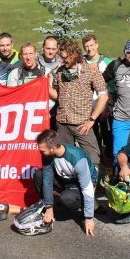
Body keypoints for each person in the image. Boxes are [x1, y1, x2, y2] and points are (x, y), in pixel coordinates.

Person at [48, 39, 108, 173]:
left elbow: (103, 96)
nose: (63, 61)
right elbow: (58, 95)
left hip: (82, 123)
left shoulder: (91, 71)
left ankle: (91, 185)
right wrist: (45, 86)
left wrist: (92, 120)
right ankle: (69, 187)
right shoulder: (59, 71)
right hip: (62, 123)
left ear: (74, 54)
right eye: (61, 58)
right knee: (64, 157)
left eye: (65, 58)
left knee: (93, 155)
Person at [33, 129, 98, 236]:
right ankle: (49, 207)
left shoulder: (77, 157)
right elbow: (47, 180)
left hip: (82, 183)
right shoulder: (47, 155)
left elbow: (87, 187)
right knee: (38, 175)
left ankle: (87, 204)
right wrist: (49, 207)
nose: (40, 152)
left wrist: (89, 217)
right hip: (64, 179)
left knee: (67, 198)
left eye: (42, 151)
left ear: (53, 148)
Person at [81, 33, 114, 159]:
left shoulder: (107, 62)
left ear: (97, 45)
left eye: (92, 45)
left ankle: (109, 162)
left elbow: (112, 85)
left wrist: (107, 105)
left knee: (107, 134)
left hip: (103, 105)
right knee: (92, 136)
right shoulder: (81, 62)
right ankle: (96, 161)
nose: (89, 48)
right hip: (87, 105)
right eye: (87, 46)